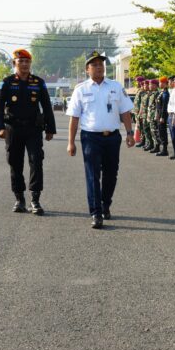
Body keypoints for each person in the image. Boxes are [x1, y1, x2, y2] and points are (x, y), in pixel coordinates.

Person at [66, 51, 135, 229]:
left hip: (112, 137)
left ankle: (106, 205)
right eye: (94, 64)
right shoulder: (81, 89)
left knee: (111, 174)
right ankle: (96, 213)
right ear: (87, 69)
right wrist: (70, 142)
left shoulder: (116, 86)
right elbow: (74, 117)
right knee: (92, 176)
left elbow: (125, 111)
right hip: (90, 137)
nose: (99, 67)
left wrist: (129, 132)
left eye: (101, 64)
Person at [0, 49, 56, 215]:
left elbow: (47, 106)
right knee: (15, 163)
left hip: (33, 129)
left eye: (27, 62)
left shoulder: (38, 82)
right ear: (14, 63)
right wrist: (0, 128)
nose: (24, 64)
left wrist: (50, 129)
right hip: (13, 129)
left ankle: (35, 200)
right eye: (20, 61)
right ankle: (19, 198)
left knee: (36, 161)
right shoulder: (6, 82)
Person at [156, 76, 171, 157]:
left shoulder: (165, 93)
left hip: (163, 115)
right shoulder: (161, 92)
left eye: (161, 82)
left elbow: (164, 106)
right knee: (160, 132)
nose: (159, 84)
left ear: (165, 83)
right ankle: (163, 148)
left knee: (163, 132)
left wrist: (162, 116)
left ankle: (165, 149)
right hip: (159, 115)